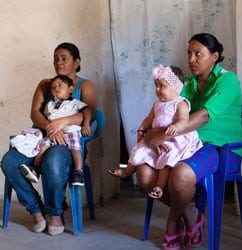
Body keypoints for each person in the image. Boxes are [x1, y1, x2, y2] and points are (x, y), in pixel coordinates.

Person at [135, 33, 242, 249]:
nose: (191, 59)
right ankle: (191, 212)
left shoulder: (228, 80)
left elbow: (203, 116)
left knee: (180, 174)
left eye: (198, 54)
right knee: (144, 174)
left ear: (215, 56)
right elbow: (163, 112)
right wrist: (148, 134)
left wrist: (160, 135)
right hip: (185, 145)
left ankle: (173, 221)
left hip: (221, 148)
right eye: (189, 54)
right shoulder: (188, 84)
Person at [1, 42, 98, 235]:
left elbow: (91, 114)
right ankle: (36, 210)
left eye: (64, 58)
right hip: (41, 139)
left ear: (76, 62)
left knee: (53, 162)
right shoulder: (46, 84)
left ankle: (55, 213)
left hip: (68, 144)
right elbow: (35, 113)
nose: (58, 62)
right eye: (56, 58)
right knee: (9, 161)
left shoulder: (83, 85)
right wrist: (49, 127)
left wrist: (63, 122)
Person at [108, 65, 203, 200]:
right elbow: (149, 118)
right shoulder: (157, 104)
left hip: (174, 140)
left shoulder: (181, 103)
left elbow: (184, 120)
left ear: (175, 87)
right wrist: (142, 127)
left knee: (167, 156)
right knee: (139, 149)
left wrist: (176, 126)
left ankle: (159, 186)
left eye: (162, 86)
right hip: (156, 138)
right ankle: (127, 171)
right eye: (156, 85)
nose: (157, 90)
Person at [18, 74, 92, 186]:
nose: (56, 88)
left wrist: (86, 124)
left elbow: (87, 111)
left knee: (75, 148)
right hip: (52, 133)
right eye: (53, 87)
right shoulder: (50, 105)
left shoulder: (75, 103)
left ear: (70, 89)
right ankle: (35, 171)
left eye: (60, 85)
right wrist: (47, 129)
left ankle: (78, 171)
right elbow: (44, 118)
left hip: (71, 130)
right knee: (41, 147)